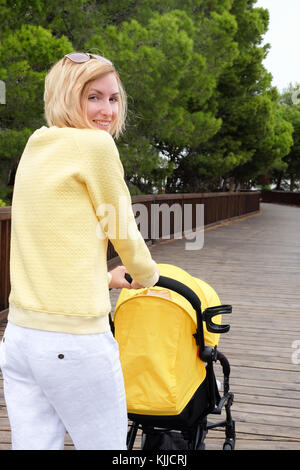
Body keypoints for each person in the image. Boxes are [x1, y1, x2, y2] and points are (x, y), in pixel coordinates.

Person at [0, 52, 159, 450]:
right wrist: (147, 275)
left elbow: (46, 241)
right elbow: (122, 227)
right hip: (72, 343)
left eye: (114, 98)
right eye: (93, 97)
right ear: (67, 95)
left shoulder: (38, 143)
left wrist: (107, 278)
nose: (106, 110)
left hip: (20, 339)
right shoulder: (95, 146)